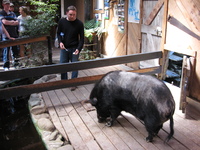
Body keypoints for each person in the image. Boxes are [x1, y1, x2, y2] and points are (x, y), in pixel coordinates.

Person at [57, 5, 84, 91]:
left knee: (74, 66)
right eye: (71, 14)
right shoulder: (62, 22)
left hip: (74, 47)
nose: (72, 16)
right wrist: (60, 42)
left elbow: (82, 38)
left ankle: (73, 83)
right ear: (66, 13)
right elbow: (59, 33)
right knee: (63, 66)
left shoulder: (79, 24)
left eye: (74, 15)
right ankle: (64, 82)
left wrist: (78, 49)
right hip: (64, 48)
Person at [0, 0, 19, 70]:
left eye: (8, 4)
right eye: (6, 4)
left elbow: (17, 22)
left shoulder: (12, 13)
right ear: (3, 5)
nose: (7, 6)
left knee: (15, 50)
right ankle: (6, 66)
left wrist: (10, 22)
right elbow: (4, 22)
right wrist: (12, 22)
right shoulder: (1, 13)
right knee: (6, 50)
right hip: (5, 35)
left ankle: (16, 64)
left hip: (14, 33)